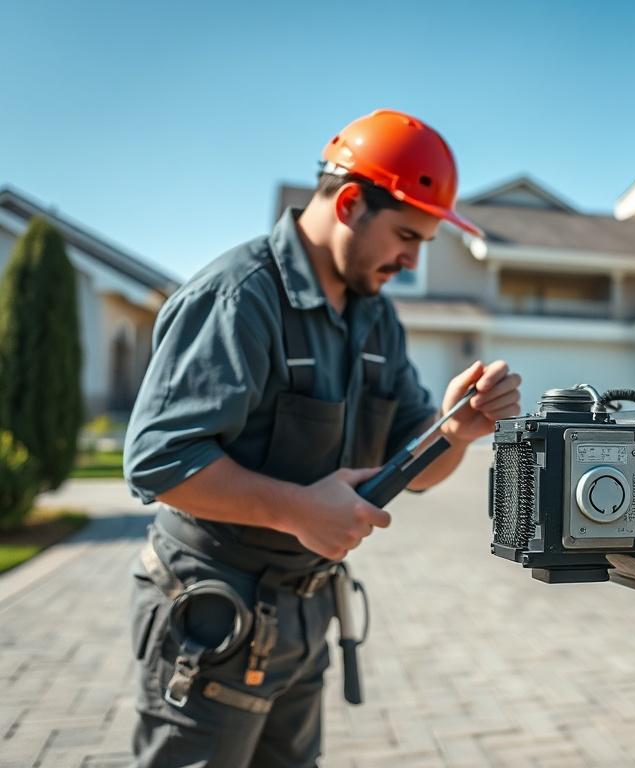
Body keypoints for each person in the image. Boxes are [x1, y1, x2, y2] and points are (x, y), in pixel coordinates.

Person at [123, 109, 521, 767]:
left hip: (301, 620)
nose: (411, 259)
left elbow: (413, 467)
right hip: (212, 617)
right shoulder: (240, 297)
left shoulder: (375, 317)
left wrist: (455, 432)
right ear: (348, 203)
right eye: (404, 235)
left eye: (423, 241)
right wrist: (298, 509)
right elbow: (158, 461)